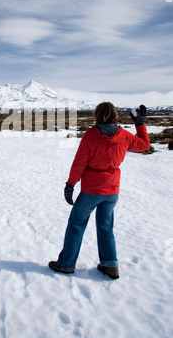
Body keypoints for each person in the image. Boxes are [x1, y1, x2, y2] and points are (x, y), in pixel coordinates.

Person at [49, 103, 150, 279]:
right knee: (105, 227)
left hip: (91, 191)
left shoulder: (91, 135)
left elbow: (79, 162)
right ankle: (110, 266)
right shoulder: (124, 136)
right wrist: (140, 123)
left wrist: (70, 184)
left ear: (98, 115)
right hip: (112, 191)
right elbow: (144, 145)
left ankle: (66, 264)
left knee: (76, 224)